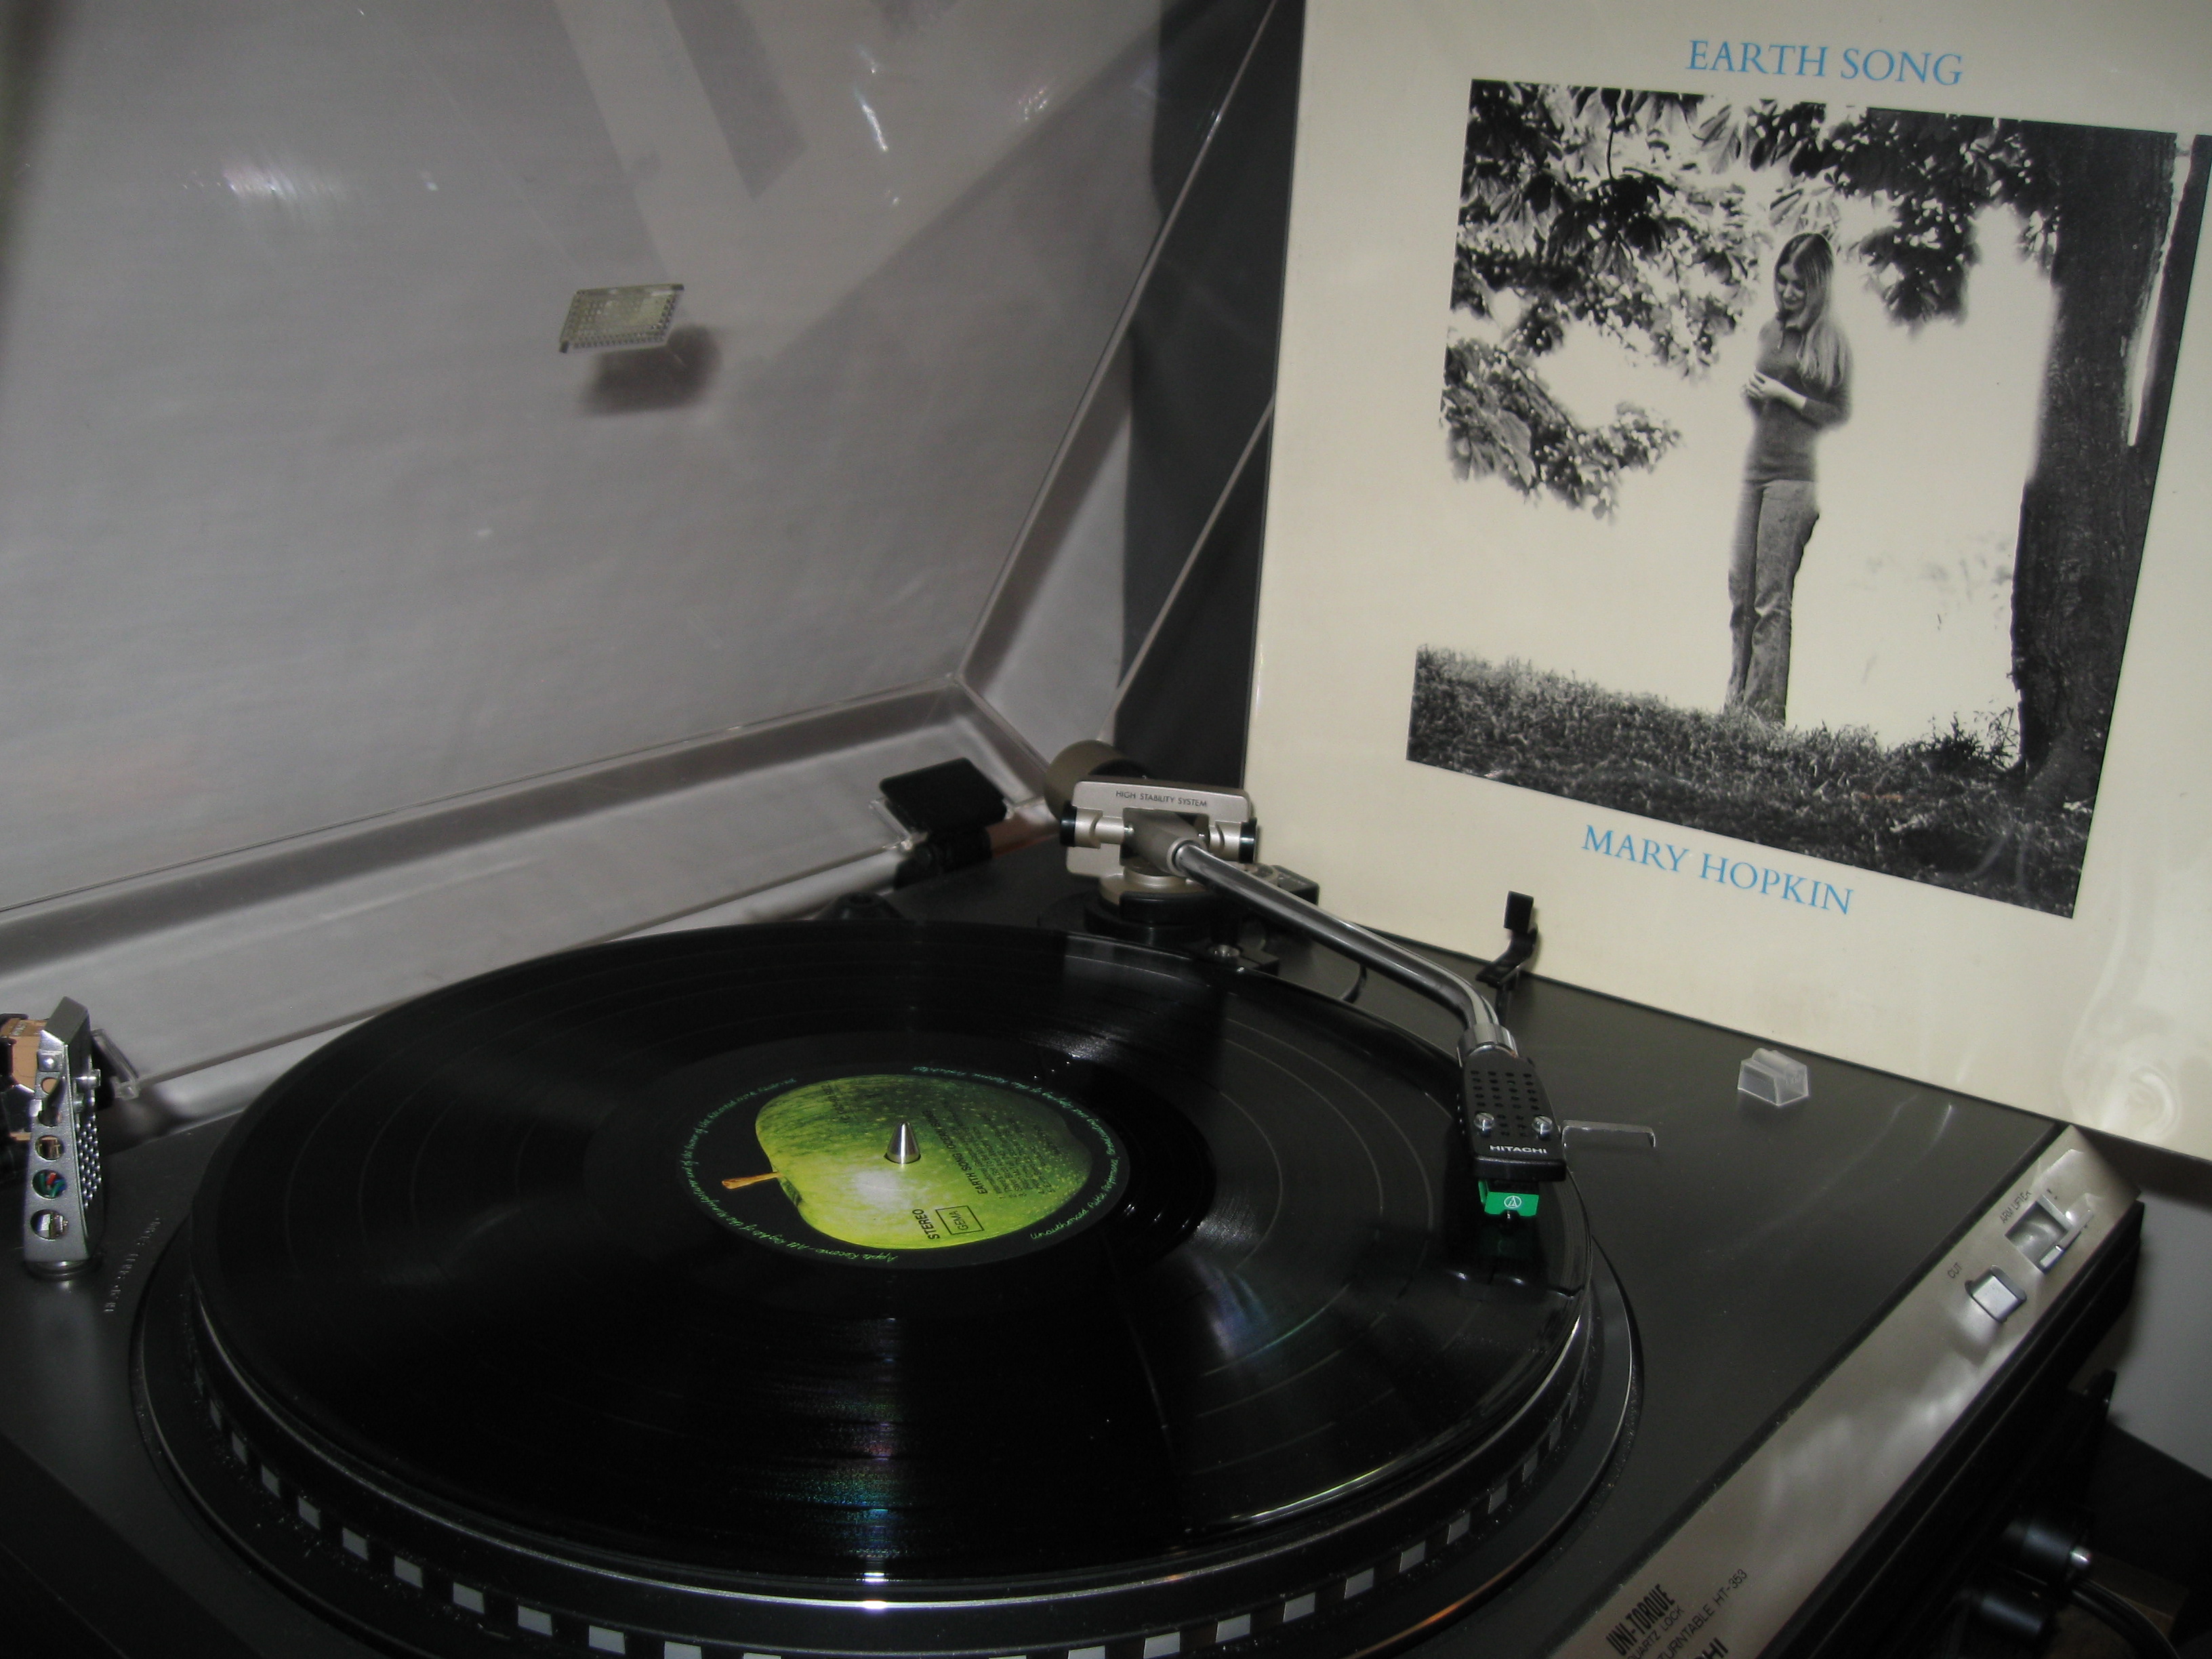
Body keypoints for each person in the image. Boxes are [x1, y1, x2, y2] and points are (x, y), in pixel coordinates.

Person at [1725, 232, 1851, 723]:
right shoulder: (1768, 332)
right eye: (1782, 281)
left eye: (1799, 285)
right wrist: (1755, 399)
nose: (1788, 292)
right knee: (1741, 591)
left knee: (1770, 600)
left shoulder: (1830, 338)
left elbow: (1839, 414)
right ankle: (1735, 708)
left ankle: (1762, 719)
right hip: (1755, 473)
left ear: (1817, 286)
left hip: (1796, 479)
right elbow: (1768, 411)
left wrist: (1786, 395)